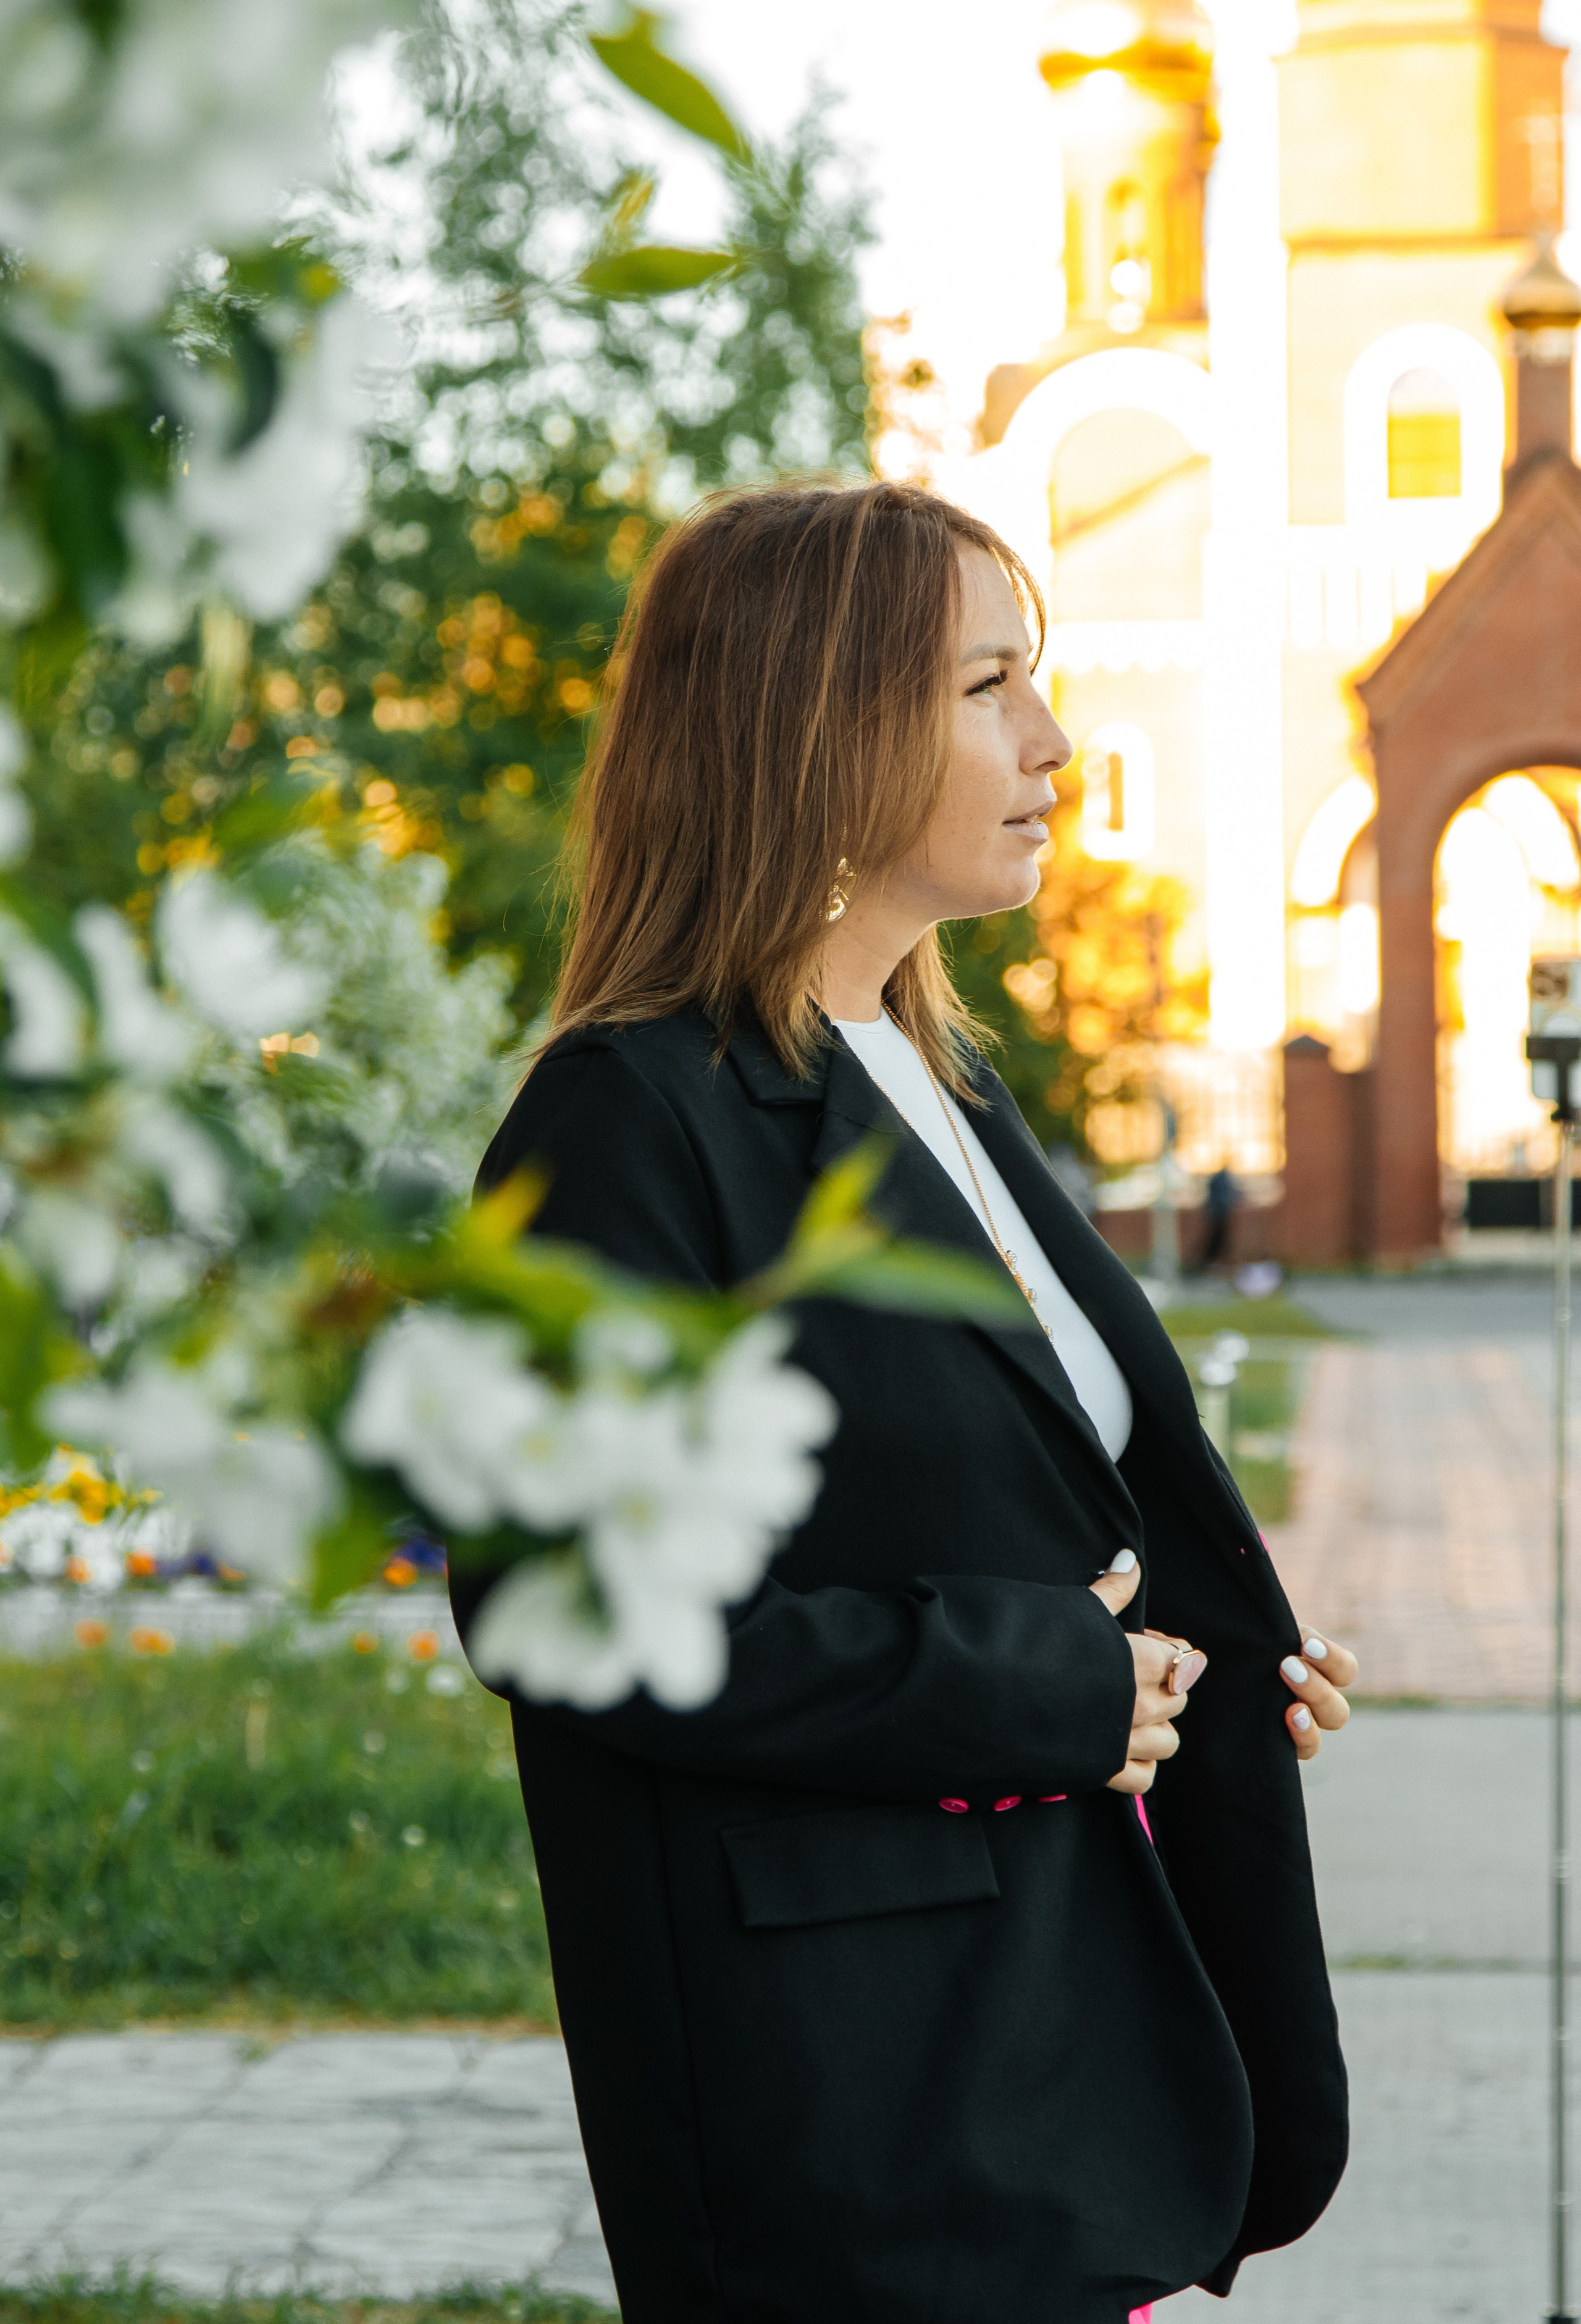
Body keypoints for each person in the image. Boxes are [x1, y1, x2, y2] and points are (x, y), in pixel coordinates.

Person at [450, 482, 1357, 2324]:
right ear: (819, 727)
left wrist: (1208, 1671)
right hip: (857, 2082)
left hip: (1055, 2018)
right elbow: (561, 1608)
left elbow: (1009, 1499)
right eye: (986, 687)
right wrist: (1049, 1685)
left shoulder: (939, 1079)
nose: (1053, 740)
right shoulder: (627, 1122)